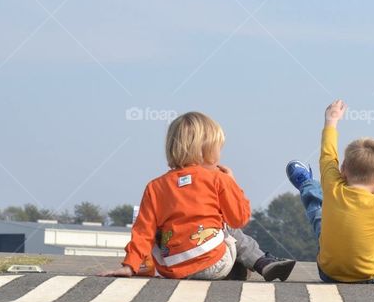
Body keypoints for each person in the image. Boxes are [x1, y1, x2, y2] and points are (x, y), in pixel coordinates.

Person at [99, 111, 295, 281]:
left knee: (158, 230)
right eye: (218, 147)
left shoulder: (155, 187)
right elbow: (239, 219)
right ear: (206, 149)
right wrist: (233, 184)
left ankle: (245, 266)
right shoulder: (218, 179)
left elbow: (143, 232)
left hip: (172, 269)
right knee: (225, 226)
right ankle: (261, 262)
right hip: (215, 263)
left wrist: (129, 266)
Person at [285, 99, 374, 283]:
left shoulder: (333, 185)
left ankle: (307, 184)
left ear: (343, 169)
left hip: (328, 273)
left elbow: (328, 155)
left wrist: (332, 120)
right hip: (371, 276)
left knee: (319, 215)